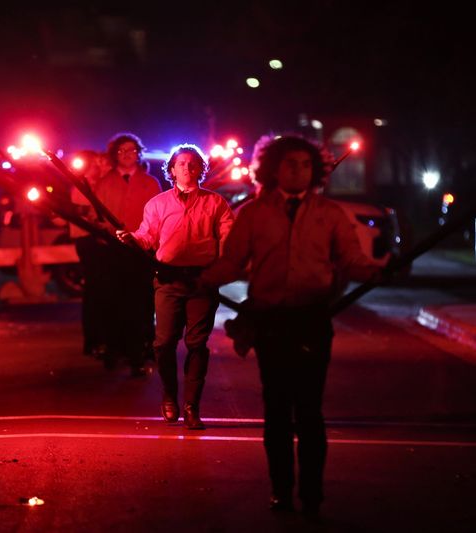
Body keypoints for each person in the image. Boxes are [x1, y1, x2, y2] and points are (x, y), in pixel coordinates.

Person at [201, 135, 384, 516]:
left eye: (304, 164)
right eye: (289, 164)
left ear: (314, 169)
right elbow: (232, 262)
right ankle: (281, 489)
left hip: (312, 320)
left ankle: (312, 494)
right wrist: (196, 279)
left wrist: (375, 271)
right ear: (273, 169)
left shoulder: (330, 213)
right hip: (270, 323)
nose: (297, 171)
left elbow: (351, 261)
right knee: (277, 410)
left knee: (310, 411)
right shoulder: (253, 213)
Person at [117, 144, 234, 429]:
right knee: (164, 343)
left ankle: (193, 406)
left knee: (197, 343)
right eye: (181, 163)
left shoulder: (216, 203)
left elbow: (229, 238)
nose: (187, 167)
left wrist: (227, 262)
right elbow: (147, 236)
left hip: (201, 282)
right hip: (168, 280)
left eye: (193, 163)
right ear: (171, 170)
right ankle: (170, 395)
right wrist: (132, 239)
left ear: (200, 169)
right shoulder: (157, 204)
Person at [94, 133, 161, 376]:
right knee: (113, 301)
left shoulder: (150, 183)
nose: (127, 155)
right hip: (113, 251)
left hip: (140, 252)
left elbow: (157, 219)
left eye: (132, 150)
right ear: (114, 155)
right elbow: (97, 219)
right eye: (122, 151)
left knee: (141, 303)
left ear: (139, 153)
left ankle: (139, 352)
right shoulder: (104, 184)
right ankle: (114, 349)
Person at [68, 150, 110, 356]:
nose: (100, 166)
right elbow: (83, 212)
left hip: (98, 241)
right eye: (96, 162)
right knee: (95, 289)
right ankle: (94, 339)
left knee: (103, 290)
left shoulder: (102, 183)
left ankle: (103, 337)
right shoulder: (82, 184)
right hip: (88, 240)